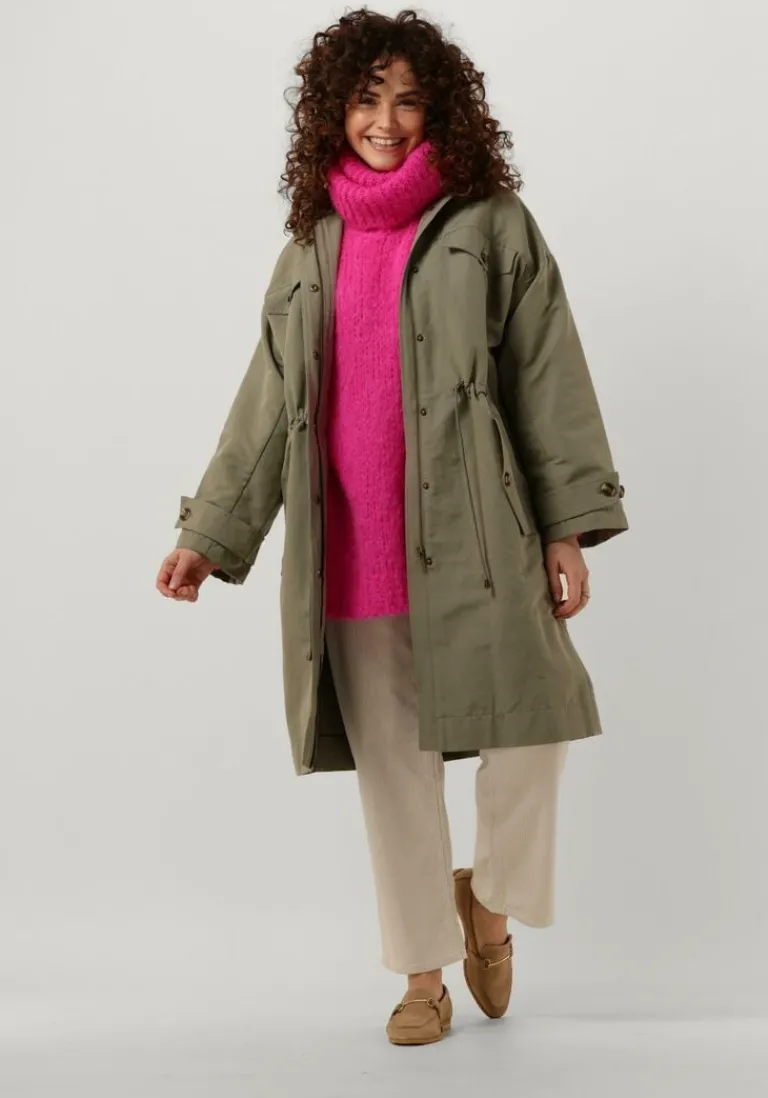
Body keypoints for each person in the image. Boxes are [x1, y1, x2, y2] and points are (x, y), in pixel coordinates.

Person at [156, 8, 628, 1046]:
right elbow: (267, 404)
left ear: (441, 112)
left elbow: (546, 372)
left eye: (409, 100)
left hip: (483, 543)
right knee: (396, 780)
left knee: (535, 736)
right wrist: (211, 534)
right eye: (367, 98)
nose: (385, 120)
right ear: (334, 110)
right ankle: (422, 976)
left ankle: (488, 906)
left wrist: (567, 527)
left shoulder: (491, 222)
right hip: (353, 552)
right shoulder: (309, 245)